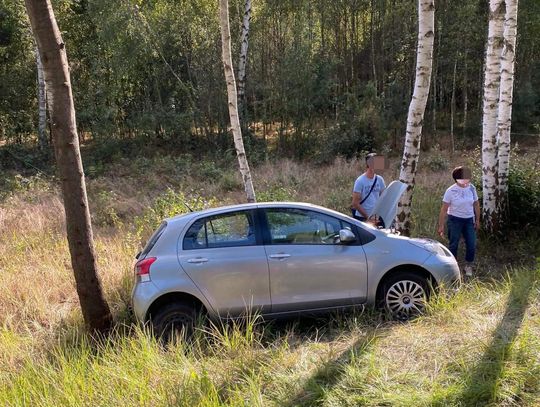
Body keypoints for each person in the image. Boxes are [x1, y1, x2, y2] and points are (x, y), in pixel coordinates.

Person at [437, 166, 480, 277]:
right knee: (453, 244)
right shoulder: (450, 191)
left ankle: (468, 265)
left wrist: (478, 219)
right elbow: (444, 209)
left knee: (471, 244)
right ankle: (453, 268)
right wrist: (441, 225)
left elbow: (476, 204)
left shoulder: (472, 188)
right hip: (454, 220)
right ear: (456, 178)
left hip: (469, 220)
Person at [351, 153, 386, 222]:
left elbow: (384, 198)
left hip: (376, 218)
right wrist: (368, 217)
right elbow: (355, 203)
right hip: (362, 218)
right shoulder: (360, 181)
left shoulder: (380, 179)